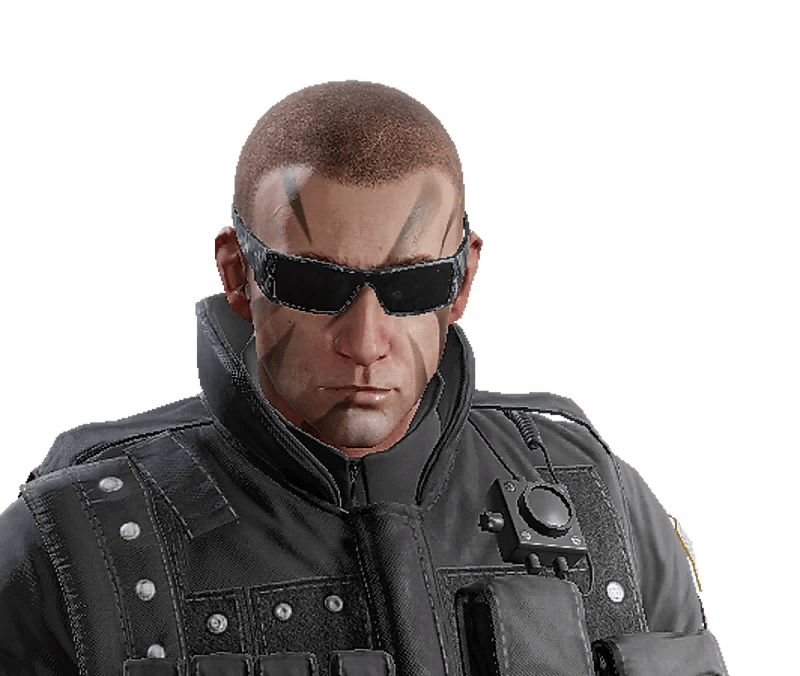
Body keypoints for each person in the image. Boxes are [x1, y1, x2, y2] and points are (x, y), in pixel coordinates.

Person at [0, 79, 729, 676]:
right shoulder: (72, 540)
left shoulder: (600, 501)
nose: (365, 342)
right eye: (315, 285)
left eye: (411, 286)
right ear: (238, 274)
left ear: (463, 279)